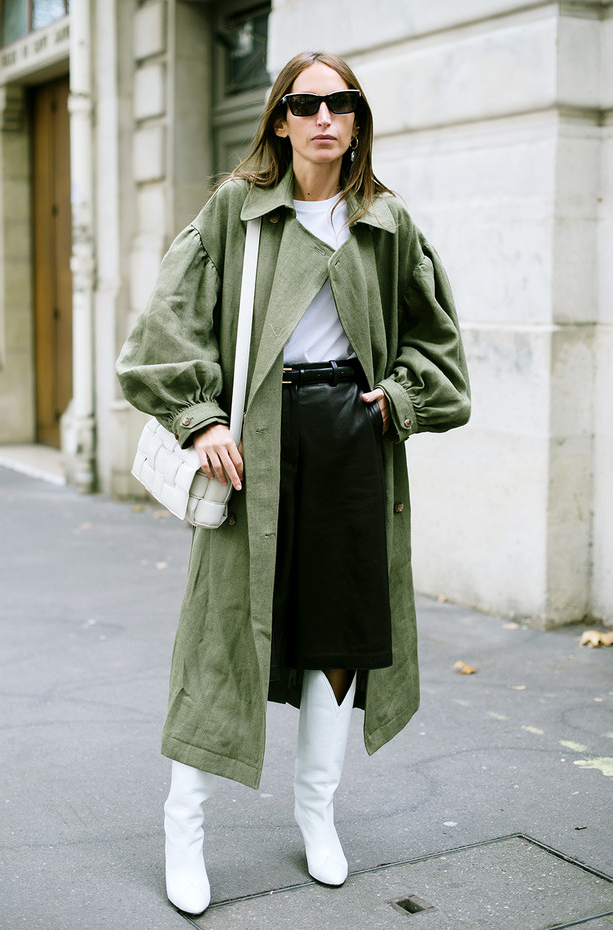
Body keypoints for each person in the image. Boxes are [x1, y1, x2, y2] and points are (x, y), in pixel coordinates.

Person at [116, 51, 470, 915]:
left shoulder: (385, 221)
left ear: (356, 121)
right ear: (279, 119)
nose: (324, 118)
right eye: (306, 104)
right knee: (223, 631)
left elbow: (438, 344)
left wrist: (401, 397)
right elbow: (165, 325)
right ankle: (184, 828)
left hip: (353, 436)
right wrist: (201, 417)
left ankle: (318, 814)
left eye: (341, 104)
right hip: (254, 441)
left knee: (339, 634)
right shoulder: (237, 209)